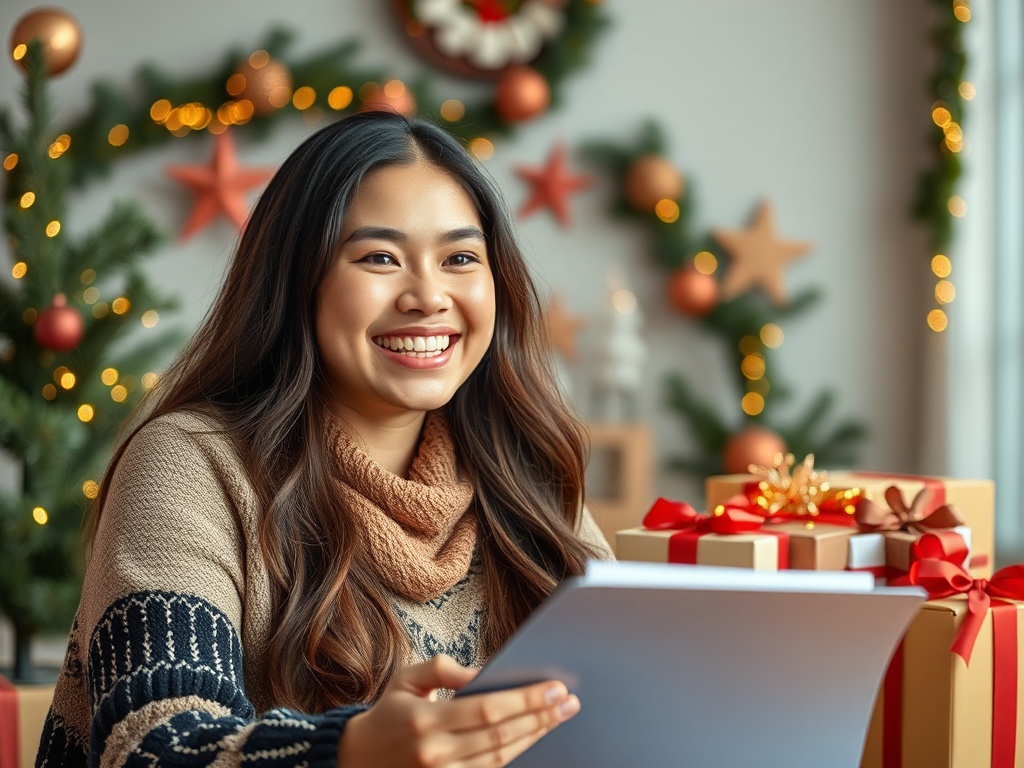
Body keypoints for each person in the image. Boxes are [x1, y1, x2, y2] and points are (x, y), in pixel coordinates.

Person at [35, 110, 614, 768]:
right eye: (379, 258)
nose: (428, 296)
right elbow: (149, 750)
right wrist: (353, 750)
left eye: (459, 258)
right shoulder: (191, 463)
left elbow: (631, 704)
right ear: (296, 280)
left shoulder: (522, 469)